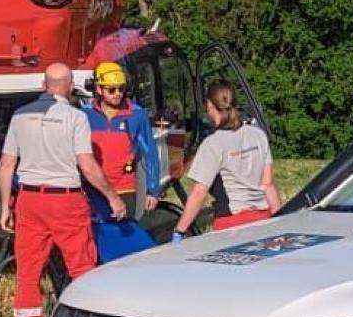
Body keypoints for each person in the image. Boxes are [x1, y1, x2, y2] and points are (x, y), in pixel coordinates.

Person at [0, 63, 128, 317]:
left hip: (29, 200)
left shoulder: (20, 116)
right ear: (69, 86)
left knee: (28, 272)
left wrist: (6, 206)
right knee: (81, 267)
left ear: (45, 84)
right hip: (65, 199)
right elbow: (87, 165)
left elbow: (7, 165)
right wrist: (112, 196)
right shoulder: (75, 117)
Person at [171, 81, 280, 239]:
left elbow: (198, 194)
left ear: (209, 105)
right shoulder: (258, 135)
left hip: (230, 224)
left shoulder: (212, 144)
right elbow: (268, 184)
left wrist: (179, 230)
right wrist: (279, 219)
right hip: (263, 217)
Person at [82, 61, 160, 262]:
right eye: (111, 90)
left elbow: (149, 152)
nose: (117, 94)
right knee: (96, 235)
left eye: (121, 89)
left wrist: (153, 189)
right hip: (93, 187)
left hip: (125, 187)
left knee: (124, 234)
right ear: (98, 89)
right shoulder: (84, 116)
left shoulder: (136, 114)